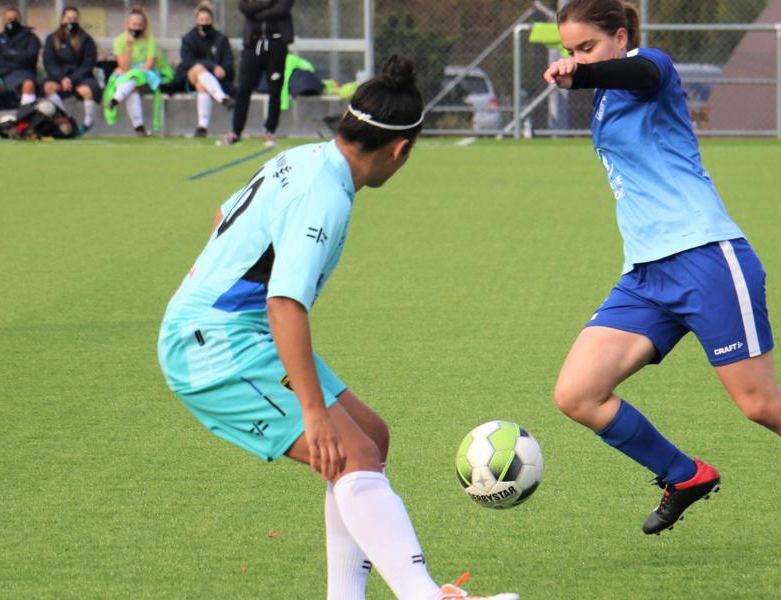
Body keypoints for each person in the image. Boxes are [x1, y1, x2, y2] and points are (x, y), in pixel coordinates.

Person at [157, 56, 517, 600]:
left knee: (371, 438)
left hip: (231, 330)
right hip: (215, 346)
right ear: (401, 149)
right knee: (350, 453)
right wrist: (312, 411)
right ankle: (422, 595)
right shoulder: (323, 196)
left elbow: (221, 215)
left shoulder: (305, 158)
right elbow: (284, 304)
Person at [544, 0, 781, 555]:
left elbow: (642, 70)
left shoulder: (648, 68)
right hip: (646, 273)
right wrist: (587, 73)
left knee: (760, 405)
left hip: (708, 258)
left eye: (586, 47)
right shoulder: (605, 98)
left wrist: (582, 72)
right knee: (578, 393)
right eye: (568, 51)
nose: (575, 59)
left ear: (620, 36)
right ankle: (684, 475)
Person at [219, 0, 292, 147]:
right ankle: (235, 132)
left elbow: (282, 9)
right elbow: (244, 7)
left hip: (276, 46)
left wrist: (257, 12)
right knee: (243, 89)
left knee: (275, 91)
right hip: (253, 45)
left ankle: (269, 132)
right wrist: (267, 3)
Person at [178, 1, 234, 138]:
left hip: (212, 80)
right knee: (198, 68)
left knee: (202, 84)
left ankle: (202, 127)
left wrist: (223, 70)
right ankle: (222, 98)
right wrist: (212, 66)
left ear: (212, 21)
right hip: (190, 77)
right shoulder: (188, 39)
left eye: (207, 20)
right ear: (197, 20)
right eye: (201, 20)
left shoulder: (221, 39)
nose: (204, 23)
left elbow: (229, 61)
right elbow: (188, 61)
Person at [41, 6, 100, 133]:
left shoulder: (86, 40)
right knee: (48, 87)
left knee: (88, 90)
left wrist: (71, 79)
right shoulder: (52, 39)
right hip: (60, 77)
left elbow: (88, 64)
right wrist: (62, 79)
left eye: (75, 19)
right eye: (69, 19)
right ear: (62, 20)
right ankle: (64, 118)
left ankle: (88, 123)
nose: (71, 22)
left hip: (81, 77)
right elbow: (49, 63)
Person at [105, 5, 159, 136]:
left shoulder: (150, 39)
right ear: (128, 24)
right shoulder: (120, 41)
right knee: (132, 86)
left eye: (140, 25)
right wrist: (129, 46)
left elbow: (149, 64)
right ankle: (139, 128)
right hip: (128, 78)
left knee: (135, 76)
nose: (136, 28)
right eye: (134, 24)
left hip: (146, 76)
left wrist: (136, 70)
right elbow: (124, 67)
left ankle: (115, 100)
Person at [0, 7, 40, 108]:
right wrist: (18, 58)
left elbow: (30, 58)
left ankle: (27, 117)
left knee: (29, 85)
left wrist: (7, 54)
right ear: (4, 21)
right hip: (2, 74)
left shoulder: (31, 38)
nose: (12, 21)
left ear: (20, 20)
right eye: (9, 19)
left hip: (24, 74)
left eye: (15, 19)